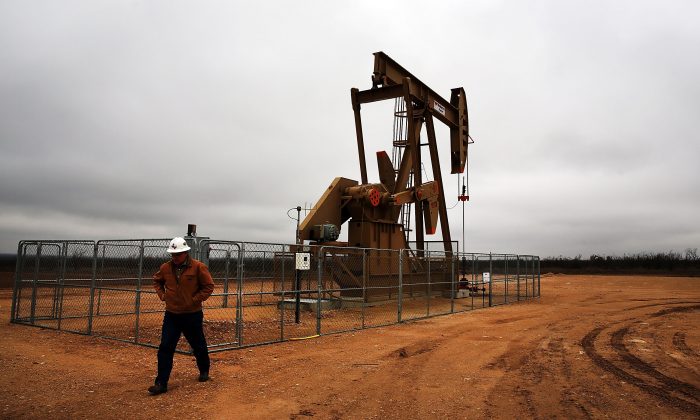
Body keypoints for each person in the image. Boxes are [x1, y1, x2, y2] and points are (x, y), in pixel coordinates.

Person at [148, 237, 215, 395]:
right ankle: (161, 383)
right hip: (172, 314)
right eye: (173, 254)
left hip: (192, 314)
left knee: (198, 344)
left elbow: (209, 286)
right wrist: (162, 295)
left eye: (178, 254)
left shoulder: (199, 267)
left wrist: (194, 300)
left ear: (186, 252)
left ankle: (204, 370)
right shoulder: (165, 268)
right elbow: (157, 281)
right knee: (165, 347)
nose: (175, 257)